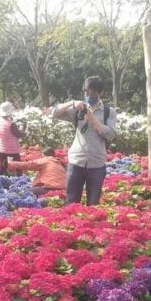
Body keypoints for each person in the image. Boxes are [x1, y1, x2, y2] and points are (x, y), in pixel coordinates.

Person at [52, 76, 117, 205]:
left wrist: (93, 120)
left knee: (93, 203)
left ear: (101, 92)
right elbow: (55, 113)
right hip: (76, 161)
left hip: (97, 163)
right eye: (86, 91)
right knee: (71, 202)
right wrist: (72, 103)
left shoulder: (109, 112)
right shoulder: (78, 109)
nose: (89, 95)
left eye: (93, 92)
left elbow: (111, 135)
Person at [0, 102, 24, 176]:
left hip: (1, 148)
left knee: (3, 167)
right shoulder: (10, 124)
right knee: (18, 166)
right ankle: (19, 181)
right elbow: (18, 134)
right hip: (12, 149)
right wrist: (25, 131)